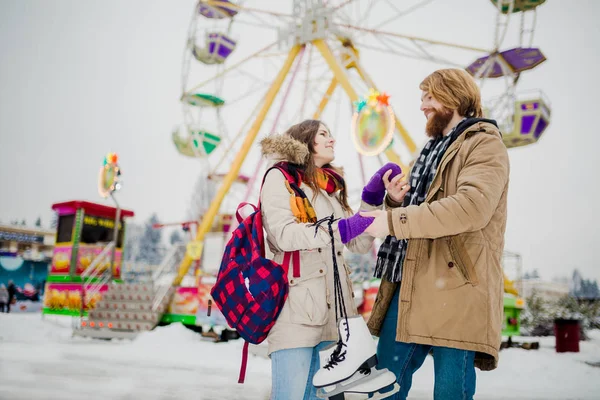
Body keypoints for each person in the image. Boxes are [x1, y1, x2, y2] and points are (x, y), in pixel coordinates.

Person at [361, 68, 510, 400]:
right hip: (410, 280)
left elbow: (472, 207)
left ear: (453, 95)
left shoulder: (484, 144)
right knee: (385, 383)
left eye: (429, 96)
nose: (422, 106)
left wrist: (394, 220)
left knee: (449, 390)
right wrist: (393, 200)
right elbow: (412, 211)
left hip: (457, 286)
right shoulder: (428, 153)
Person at [259, 119, 401, 400]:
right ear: (305, 140)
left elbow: (357, 243)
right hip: (296, 308)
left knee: (315, 396)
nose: (332, 139)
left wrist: (375, 200)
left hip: (332, 312)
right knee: (291, 395)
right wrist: (340, 228)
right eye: (324, 134)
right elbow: (285, 234)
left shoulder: (328, 188)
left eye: (331, 134)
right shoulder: (279, 178)